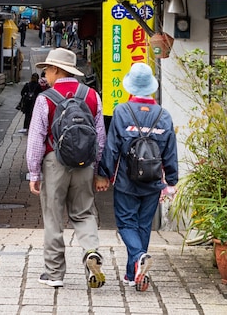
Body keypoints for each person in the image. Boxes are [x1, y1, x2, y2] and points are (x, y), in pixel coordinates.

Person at [26, 47, 107, 289]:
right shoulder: (92, 95)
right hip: (84, 163)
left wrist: (34, 172)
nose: (45, 75)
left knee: (53, 217)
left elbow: (36, 138)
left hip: (54, 162)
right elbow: (100, 137)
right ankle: (91, 251)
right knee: (83, 213)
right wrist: (97, 167)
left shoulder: (45, 98)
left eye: (47, 69)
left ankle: (54, 274)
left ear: (57, 70)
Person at [97, 62, 178, 292]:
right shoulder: (164, 115)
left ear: (131, 87)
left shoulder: (122, 111)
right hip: (153, 182)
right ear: (151, 87)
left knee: (125, 223)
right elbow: (171, 151)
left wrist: (104, 174)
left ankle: (139, 256)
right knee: (143, 225)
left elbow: (112, 148)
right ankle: (133, 274)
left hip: (126, 180)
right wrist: (171, 180)